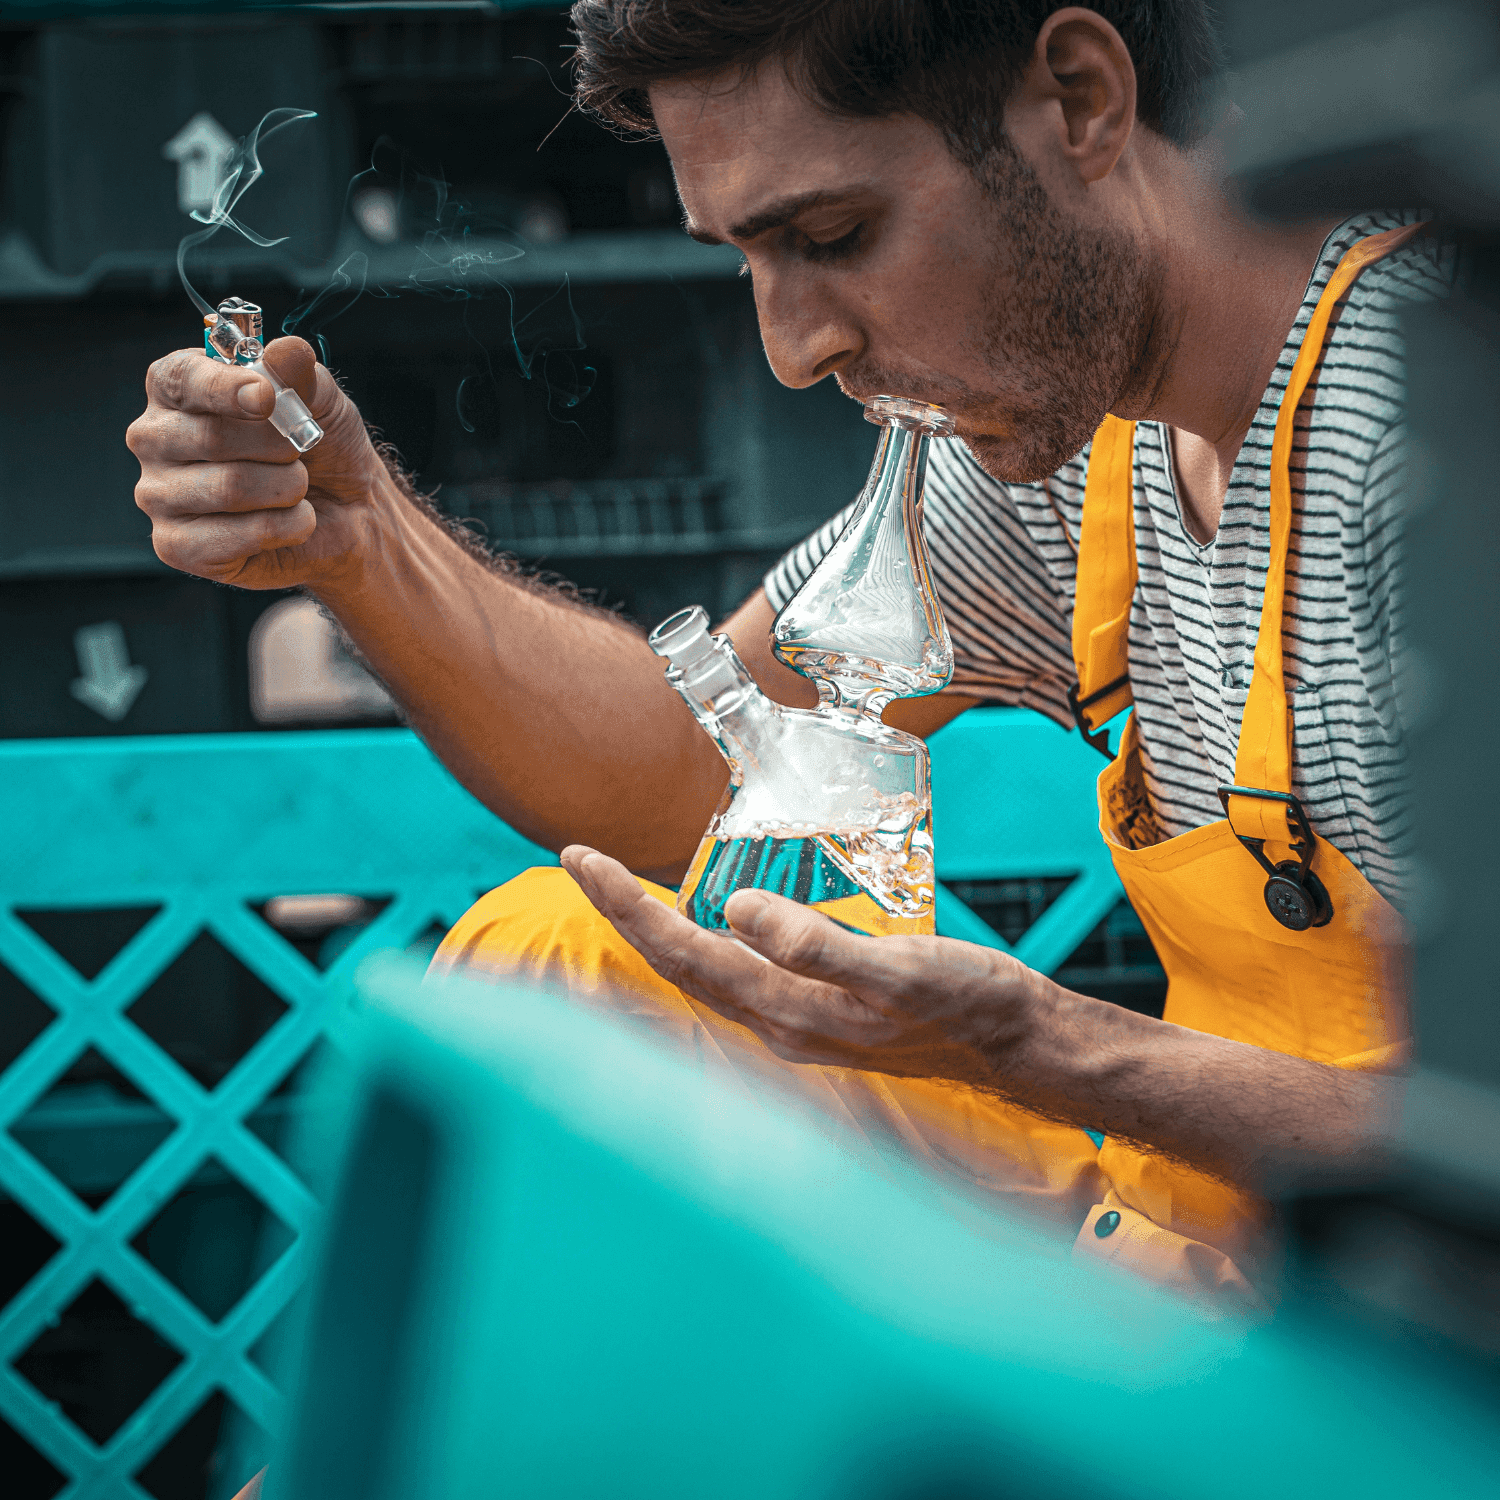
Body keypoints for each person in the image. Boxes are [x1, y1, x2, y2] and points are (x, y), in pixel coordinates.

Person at [127, 1, 1449, 1309]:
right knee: (568, 960)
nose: (794, 347)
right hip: (1198, 1230)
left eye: (831, 235)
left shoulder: (1435, 469)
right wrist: (361, 542)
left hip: (1416, 1345)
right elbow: (688, 776)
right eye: (747, 258)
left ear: (1082, 100)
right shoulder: (1078, 440)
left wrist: (1046, 1046)